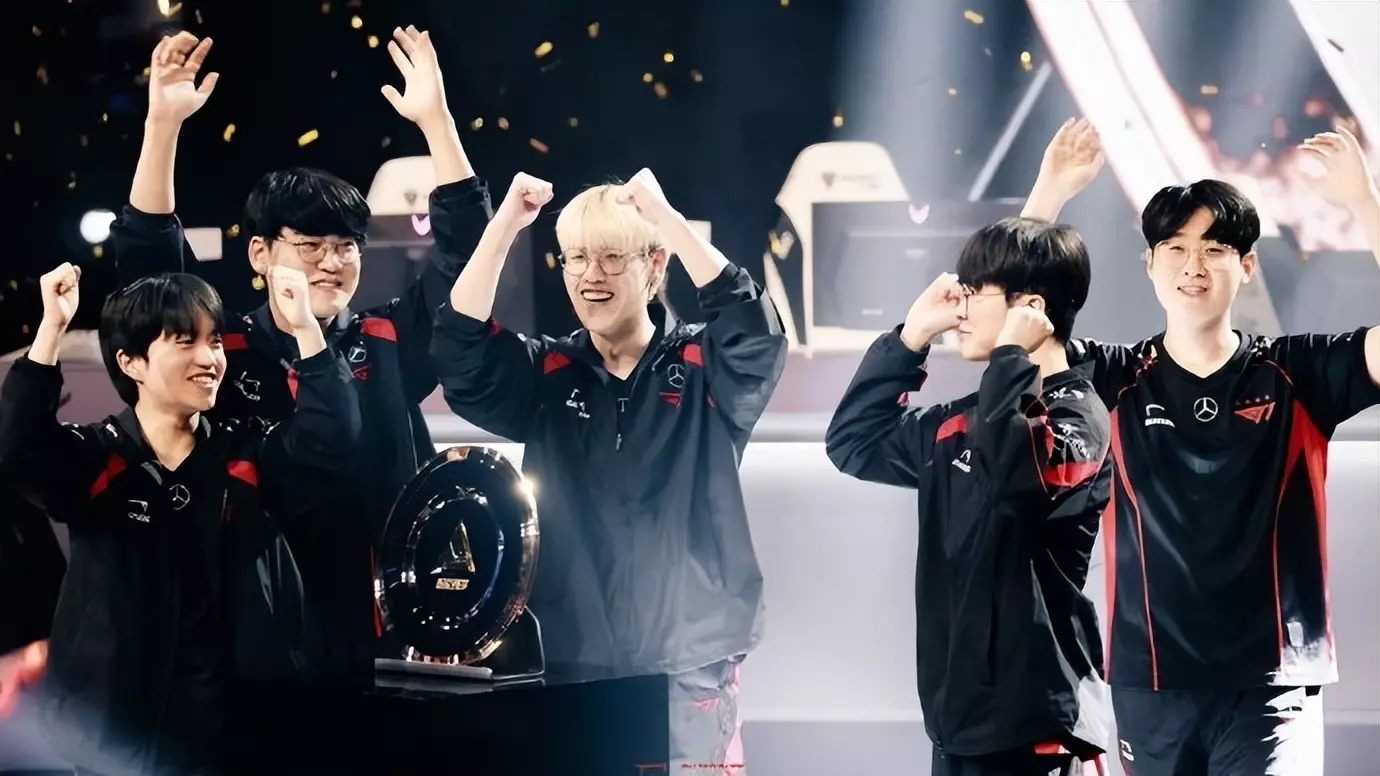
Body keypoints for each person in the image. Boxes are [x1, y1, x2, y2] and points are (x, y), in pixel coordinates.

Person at [107, 27, 492, 683]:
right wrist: (162, 126)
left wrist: (437, 122)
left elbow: (466, 259)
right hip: (247, 643)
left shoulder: (387, 340)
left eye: (346, 247)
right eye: (311, 245)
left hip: (380, 635)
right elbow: (149, 276)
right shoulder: (222, 351)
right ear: (260, 254)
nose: (332, 262)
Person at [1025, 125, 1380, 775]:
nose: (1194, 265)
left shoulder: (1298, 373)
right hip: (1149, 681)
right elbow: (1006, 326)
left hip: (1272, 686)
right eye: (1177, 248)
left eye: (1215, 249)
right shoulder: (1111, 379)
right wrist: (1048, 193)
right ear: (1150, 263)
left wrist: (1364, 202)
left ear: (1246, 266)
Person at [430, 168, 787, 773]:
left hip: (688, 666)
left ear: (654, 265)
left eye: (612, 257)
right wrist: (506, 225)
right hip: (573, 661)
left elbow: (755, 332)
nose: (591, 275)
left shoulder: (705, 366)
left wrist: (666, 218)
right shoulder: (548, 372)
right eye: (576, 258)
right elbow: (460, 351)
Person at [0, 263, 360, 775]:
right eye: (185, 341)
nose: (209, 358)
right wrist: (53, 326)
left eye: (214, 341)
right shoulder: (98, 459)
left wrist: (305, 328)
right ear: (131, 362)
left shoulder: (246, 455)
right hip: (112, 746)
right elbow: (20, 449)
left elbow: (333, 440)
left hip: (233, 741)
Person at [825, 211, 1113, 775]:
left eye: (976, 292)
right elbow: (853, 441)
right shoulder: (962, 422)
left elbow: (1014, 476)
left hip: (1035, 727)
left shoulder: (1080, 417)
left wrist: (1010, 358)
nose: (960, 308)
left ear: (1031, 308)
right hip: (956, 721)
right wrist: (910, 338)